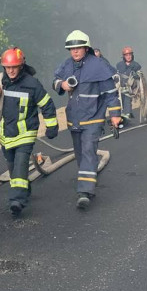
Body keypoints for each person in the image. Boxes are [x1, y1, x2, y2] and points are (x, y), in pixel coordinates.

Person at [0, 47, 58, 216]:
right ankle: (24, 190)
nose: (11, 70)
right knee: (13, 168)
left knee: (21, 165)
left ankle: (17, 200)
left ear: (21, 65)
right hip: (6, 135)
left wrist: (52, 126)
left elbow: (47, 104)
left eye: (14, 66)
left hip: (26, 133)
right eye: (8, 67)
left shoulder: (32, 84)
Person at [53, 30, 122, 209]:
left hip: (93, 119)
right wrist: (62, 84)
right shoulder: (66, 65)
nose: (75, 51)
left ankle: (85, 192)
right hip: (74, 119)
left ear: (86, 48)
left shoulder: (98, 66)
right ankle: (88, 177)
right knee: (80, 154)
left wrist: (115, 115)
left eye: (78, 48)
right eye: (72, 48)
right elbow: (55, 81)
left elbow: (111, 94)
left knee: (88, 152)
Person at [115, 46, 142, 125]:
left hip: (131, 87)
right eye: (126, 55)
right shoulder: (119, 65)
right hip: (120, 87)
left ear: (132, 55)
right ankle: (120, 115)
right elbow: (115, 74)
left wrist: (136, 75)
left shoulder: (136, 65)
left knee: (127, 97)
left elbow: (140, 76)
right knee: (118, 100)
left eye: (130, 55)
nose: (128, 56)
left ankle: (127, 114)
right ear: (124, 56)